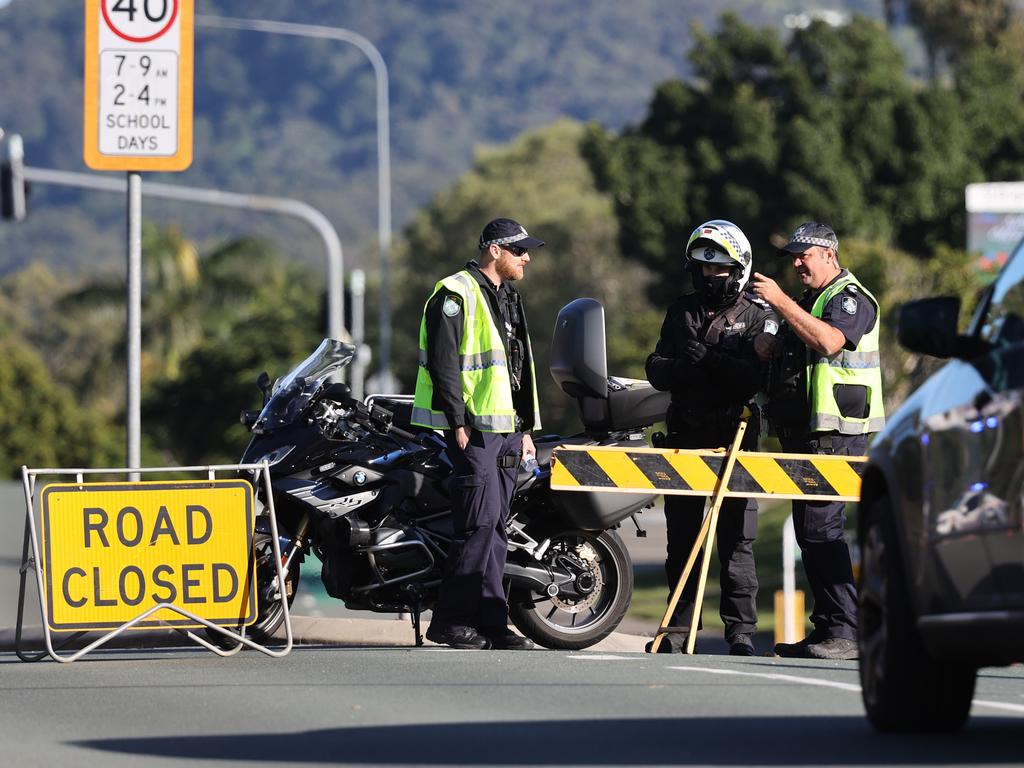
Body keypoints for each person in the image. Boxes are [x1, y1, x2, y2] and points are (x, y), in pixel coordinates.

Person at [750, 221, 885, 661]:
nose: (796, 263)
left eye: (803, 255)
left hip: (838, 434)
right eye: (793, 255)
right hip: (807, 434)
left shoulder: (850, 298)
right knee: (812, 532)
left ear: (829, 254)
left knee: (822, 530)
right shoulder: (812, 300)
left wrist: (780, 301)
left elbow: (829, 341)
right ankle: (830, 627)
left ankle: (845, 630)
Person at [645, 219, 779, 655]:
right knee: (682, 540)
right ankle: (676, 631)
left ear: (737, 270)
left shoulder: (759, 315)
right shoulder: (680, 310)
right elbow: (656, 368)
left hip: (735, 432)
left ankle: (740, 633)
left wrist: (711, 361)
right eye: (704, 270)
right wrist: (685, 368)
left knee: (737, 539)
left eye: (718, 270)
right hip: (685, 431)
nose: (709, 277)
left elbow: (753, 378)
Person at [413, 217, 543, 651]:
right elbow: (444, 363)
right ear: (494, 250)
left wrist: (525, 429)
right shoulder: (455, 293)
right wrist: (457, 423)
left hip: (506, 432)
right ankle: (450, 621)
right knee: (477, 526)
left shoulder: (508, 296)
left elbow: (517, 368)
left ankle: (492, 622)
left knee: (497, 529)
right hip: (475, 432)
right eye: (519, 249)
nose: (527, 257)